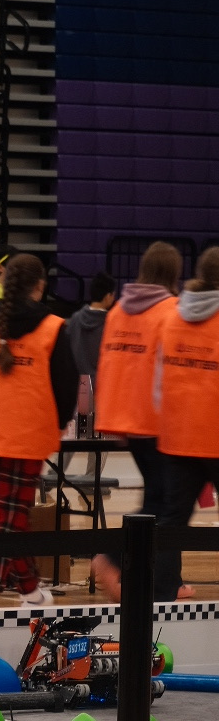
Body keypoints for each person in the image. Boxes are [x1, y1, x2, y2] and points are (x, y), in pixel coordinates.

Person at [0, 252, 78, 609]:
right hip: (27, 434)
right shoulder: (54, 326)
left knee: (9, 515)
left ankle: (30, 591)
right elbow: (67, 387)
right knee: (8, 516)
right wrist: (55, 425)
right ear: (40, 286)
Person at [94, 241, 180, 524]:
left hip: (126, 420)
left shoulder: (118, 310)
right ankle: (114, 557)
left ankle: (156, 569)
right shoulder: (171, 311)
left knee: (158, 498)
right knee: (166, 505)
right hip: (158, 422)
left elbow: (108, 365)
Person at [153, 246, 219, 604]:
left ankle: (161, 598)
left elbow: (158, 381)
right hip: (215, 436)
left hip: (178, 436)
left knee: (171, 523)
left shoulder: (172, 316)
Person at [65, 271, 117, 382]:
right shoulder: (111, 323)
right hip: (102, 383)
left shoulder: (75, 319)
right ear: (108, 296)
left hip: (78, 382)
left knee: (84, 400)